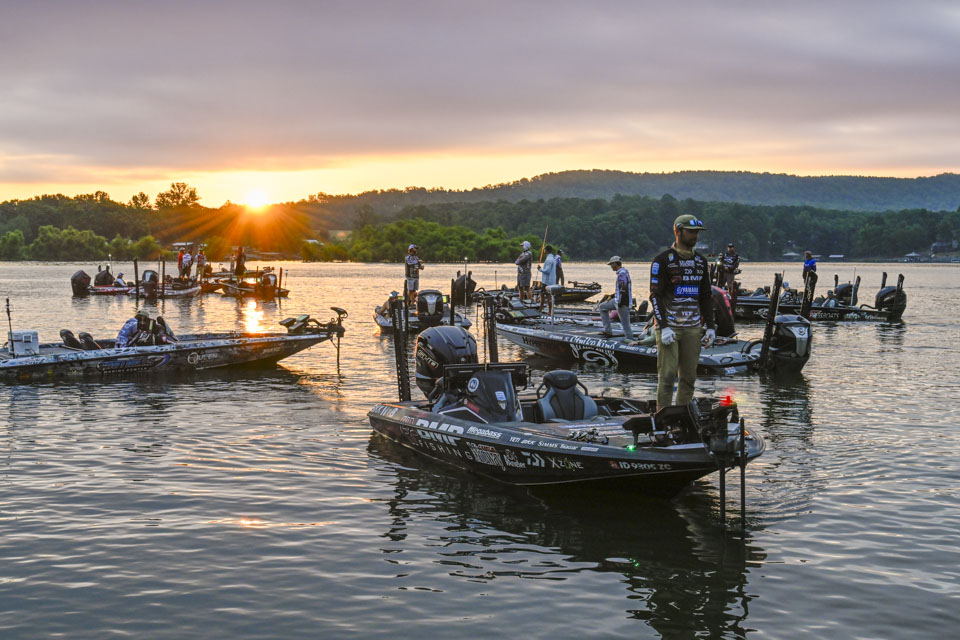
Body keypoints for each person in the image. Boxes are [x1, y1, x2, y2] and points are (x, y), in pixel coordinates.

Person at [650, 214, 716, 410]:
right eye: (691, 232)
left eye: (697, 232)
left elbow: (706, 296)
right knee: (668, 375)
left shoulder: (701, 262)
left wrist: (711, 327)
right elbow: (655, 296)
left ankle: (682, 417)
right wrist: (663, 327)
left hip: (693, 327)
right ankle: (662, 415)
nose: (695, 236)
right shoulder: (662, 260)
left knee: (689, 378)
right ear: (678, 231)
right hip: (669, 326)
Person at [598, 256, 633, 341]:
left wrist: (620, 304)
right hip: (617, 300)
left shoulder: (622, 274)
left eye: (611, 264)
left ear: (615, 264)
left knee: (625, 324)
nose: (611, 266)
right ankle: (608, 331)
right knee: (602, 307)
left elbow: (623, 290)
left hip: (622, 303)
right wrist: (612, 296)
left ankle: (630, 340)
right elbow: (620, 290)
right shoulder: (623, 273)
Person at [537, 245, 557, 315]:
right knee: (548, 296)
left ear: (547, 250)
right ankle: (550, 311)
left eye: (544, 249)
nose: (543, 251)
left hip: (546, 281)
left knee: (543, 295)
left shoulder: (549, 259)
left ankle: (541, 310)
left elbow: (547, 271)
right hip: (551, 281)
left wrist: (540, 269)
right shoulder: (552, 258)